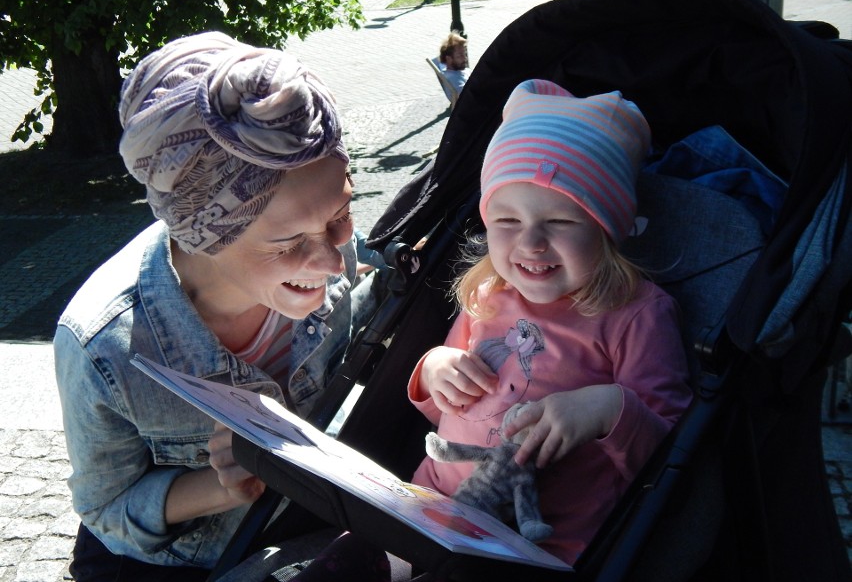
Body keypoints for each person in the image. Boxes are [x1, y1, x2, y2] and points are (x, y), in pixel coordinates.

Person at [53, 31, 385, 581]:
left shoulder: (334, 254)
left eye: (339, 217)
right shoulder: (103, 346)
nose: (331, 262)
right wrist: (220, 487)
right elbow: (105, 510)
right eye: (287, 245)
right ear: (203, 234)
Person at [407, 79, 694, 566]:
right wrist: (436, 369)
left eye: (560, 222)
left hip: (541, 543)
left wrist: (608, 409)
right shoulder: (488, 294)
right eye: (507, 221)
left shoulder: (637, 315)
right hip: (430, 506)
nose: (531, 243)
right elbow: (448, 409)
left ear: (607, 228)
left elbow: (670, 458)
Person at [435, 31, 469, 101]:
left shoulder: (460, 70)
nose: (465, 58)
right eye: (460, 56)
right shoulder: (453, 79)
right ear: (449, 59)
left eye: (464, 54)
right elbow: (466, 97)